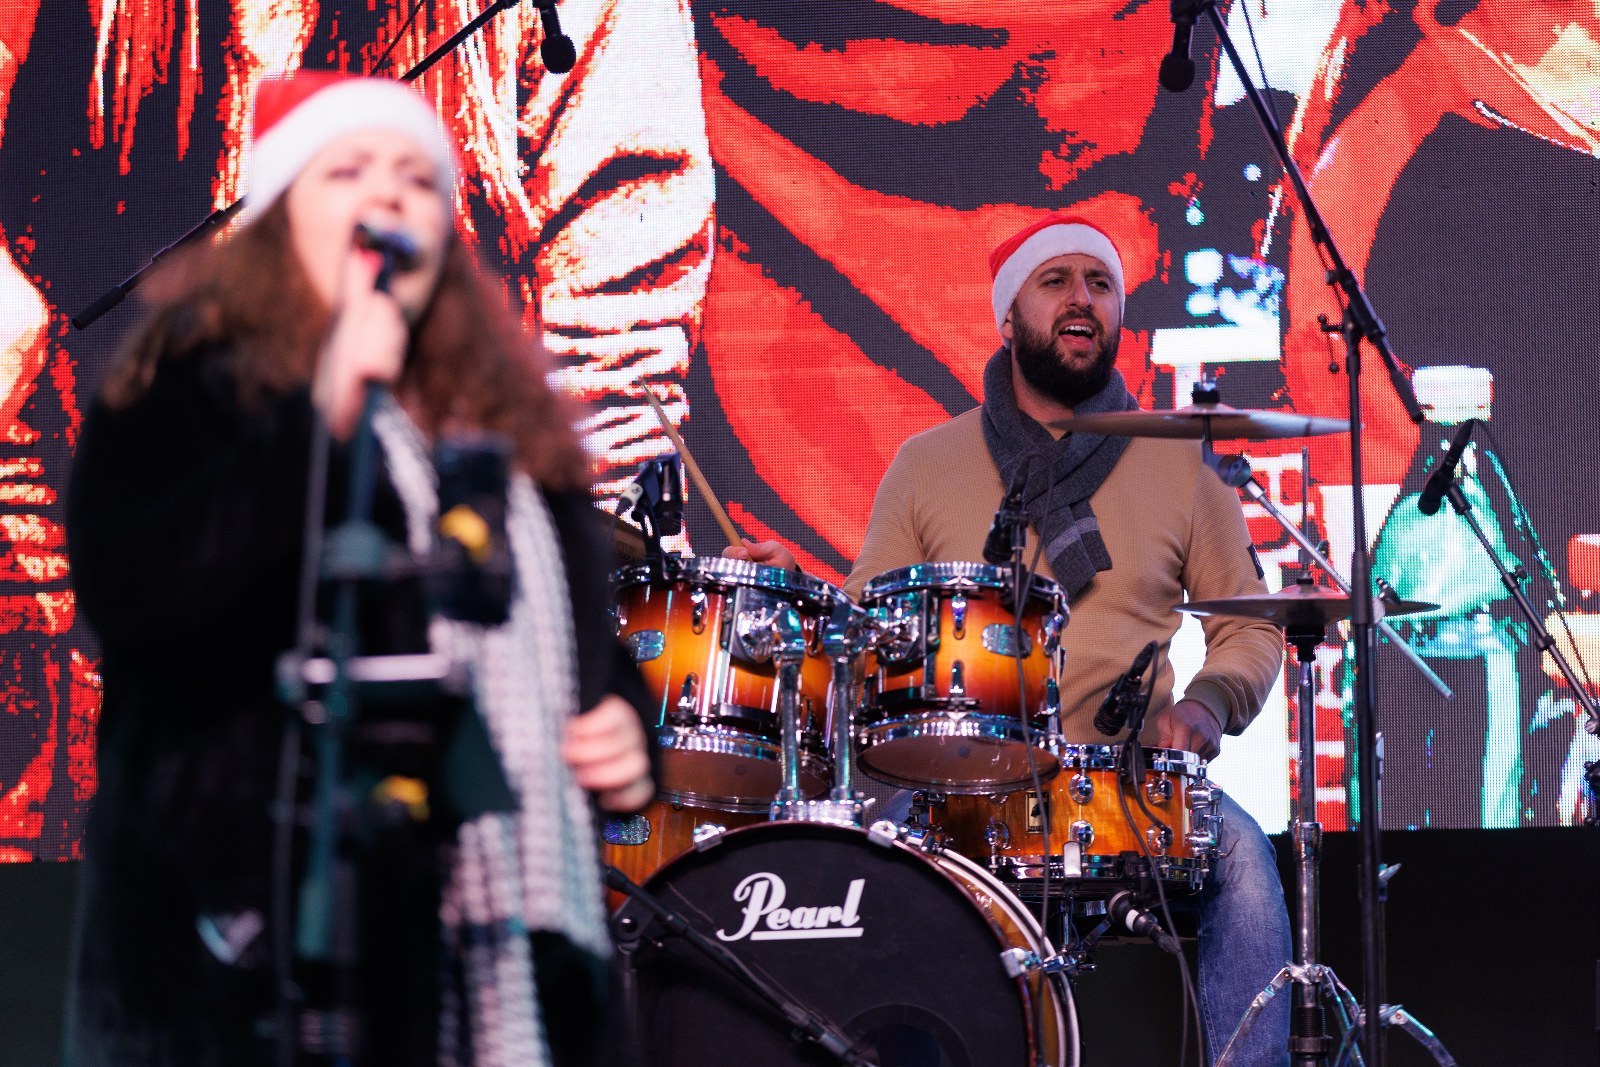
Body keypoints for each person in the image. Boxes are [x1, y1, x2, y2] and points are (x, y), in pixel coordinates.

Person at [63, 72, 654, 1066]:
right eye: (347, 172)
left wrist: (623, 725)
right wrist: (320, 416)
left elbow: (579, 658)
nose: (388, 193)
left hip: (496, 964)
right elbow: (138, 589)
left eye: (416, 179)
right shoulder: (186, 394)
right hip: (246, 967)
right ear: (276, 220)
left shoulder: (509, 451)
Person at [733, 215, 1295, 1064]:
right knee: (854, 869)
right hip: (954, 786)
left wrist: (1209, 704)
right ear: (1008, 316)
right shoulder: (927, 463)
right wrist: (799, 594)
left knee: (1247, 862)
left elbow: (1249, 624)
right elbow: (861, 622)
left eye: (1099, 283)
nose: (1082, 298)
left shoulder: (1182, 461)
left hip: (1131, 783)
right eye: (1055, 280)